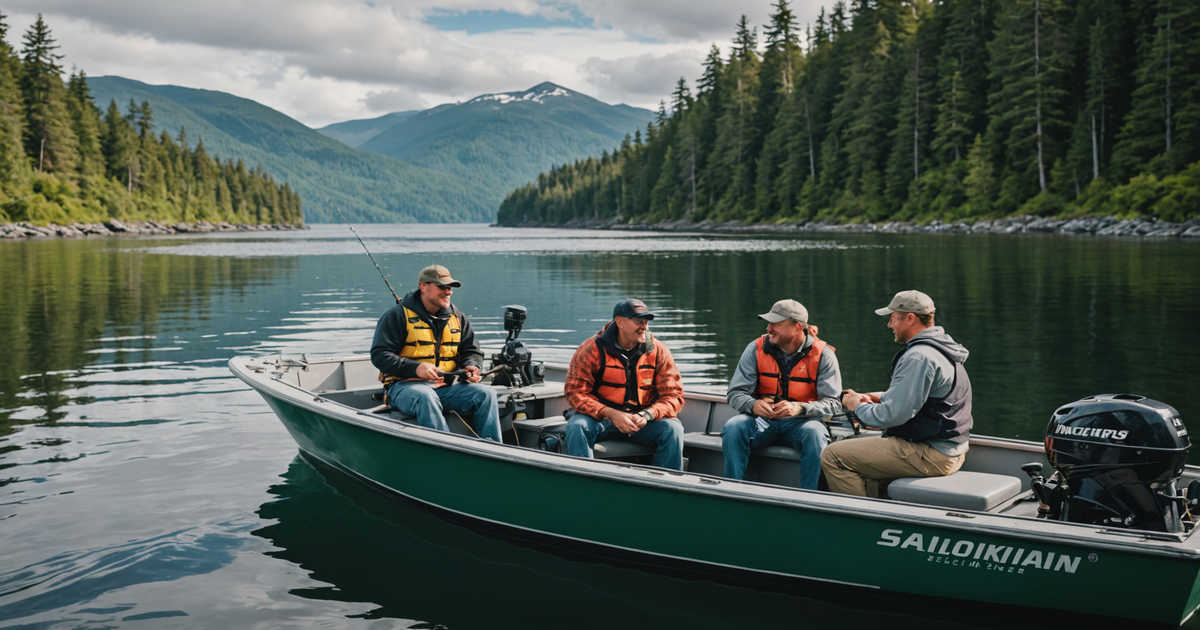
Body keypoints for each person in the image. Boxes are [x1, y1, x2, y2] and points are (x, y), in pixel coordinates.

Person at [821, 290, 972, 496]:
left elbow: (890, 416)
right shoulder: (943, 347)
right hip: (953, 451)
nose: (889, 325)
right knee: (864, 458)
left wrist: (857, 405)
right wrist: (878, 397)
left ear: (910, 318)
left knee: (833, 456)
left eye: (891, 319)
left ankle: (857, 523)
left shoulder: (918, 357)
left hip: (931, 455)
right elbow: (924, 396)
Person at [370, 264, 501, 441]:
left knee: (486, 394)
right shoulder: (397, 315)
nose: (448, 292)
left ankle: (491, 450)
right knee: (425, 396)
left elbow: (471, 350)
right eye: (442, 287)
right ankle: (446, 452)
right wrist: (415, 368)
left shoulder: (458, 317)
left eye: (450, 287)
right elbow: (380, 355)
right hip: (402, 389)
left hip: (445, 389)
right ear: (423, 286)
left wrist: (472, 365)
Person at [721, 299, 843, 490]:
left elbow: (834, 403)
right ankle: (732, 492)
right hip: (762, 421)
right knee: (734, 426)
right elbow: (736, 393)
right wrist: (752, 405)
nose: (769, 328)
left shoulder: (824, 355)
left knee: (815, 433)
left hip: (801, 422)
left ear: (797, 327)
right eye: (769, 323)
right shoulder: (755, 348)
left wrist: (800, 408)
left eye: (775, 324)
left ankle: (811, 500)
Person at [563, 299, 685, 470]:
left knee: (673, 429)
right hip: (600, 421)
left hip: (641, 422)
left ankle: (666, 489)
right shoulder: (590, 349)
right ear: (619, 321)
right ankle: (584, 485)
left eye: (646, 321)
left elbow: (673, 395)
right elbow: (574, 393)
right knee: (577, 426)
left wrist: (648, 414)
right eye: (638, 321)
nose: (644, 326)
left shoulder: (659, 351)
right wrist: (610, 413)